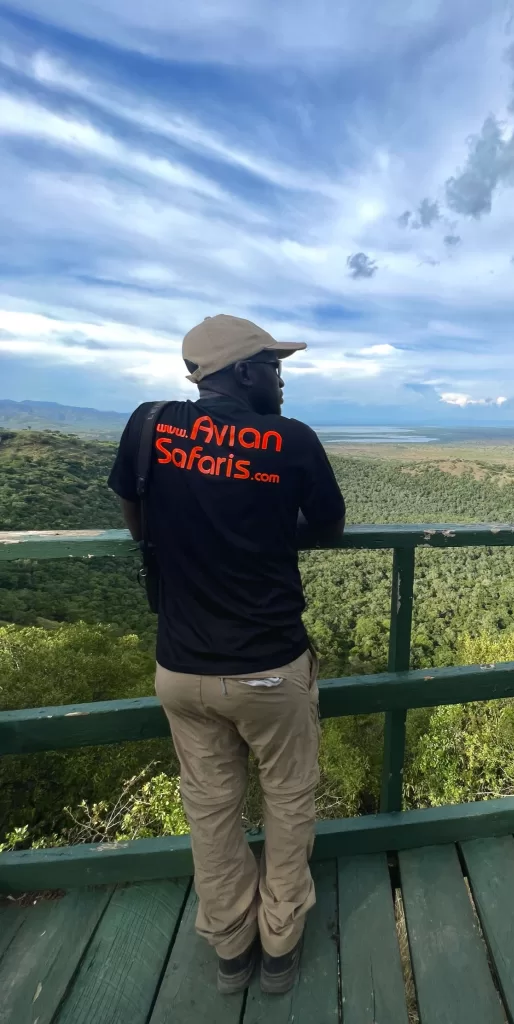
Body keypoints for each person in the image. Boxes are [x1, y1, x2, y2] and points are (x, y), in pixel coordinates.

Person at [108, 314, 345, 995]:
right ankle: (279, 945)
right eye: (273, 366)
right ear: (243, 372)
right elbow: (326, 525)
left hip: (182, 668)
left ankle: (230, 948)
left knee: (210, 810)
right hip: (270, 665)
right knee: (288, 798)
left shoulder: (148, 424)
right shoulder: (291, 441)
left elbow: (135, 517)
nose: (280, 378)